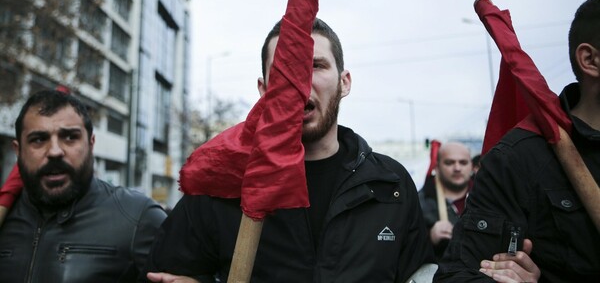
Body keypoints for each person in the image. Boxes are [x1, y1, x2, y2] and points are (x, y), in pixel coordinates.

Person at [142, 18, 434, 282]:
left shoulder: (389, 185)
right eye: (284, 70)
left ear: (344, 83)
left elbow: (419, 275)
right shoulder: (223, 184)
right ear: (263, 88)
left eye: (316, 66)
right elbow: (166, 273)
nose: (299, 83)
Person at [434, 0, 600, 282]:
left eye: (463, 161)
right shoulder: (519, 160)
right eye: (452, 162)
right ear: (590, 59)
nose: (459, 168)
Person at [0, 89, 167, 282]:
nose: (55, 151)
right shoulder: (6, 217)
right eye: (38, 139)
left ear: (91, 143)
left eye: (70, 137)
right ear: (18, 151)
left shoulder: (139, 218)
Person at [418, 141, 472, 260]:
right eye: (449, 163)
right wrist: (429, 238)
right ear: (437, 167)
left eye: (463, 162)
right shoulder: (419, 203)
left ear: (471, 166)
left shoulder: (485, 199)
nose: (457, 168)